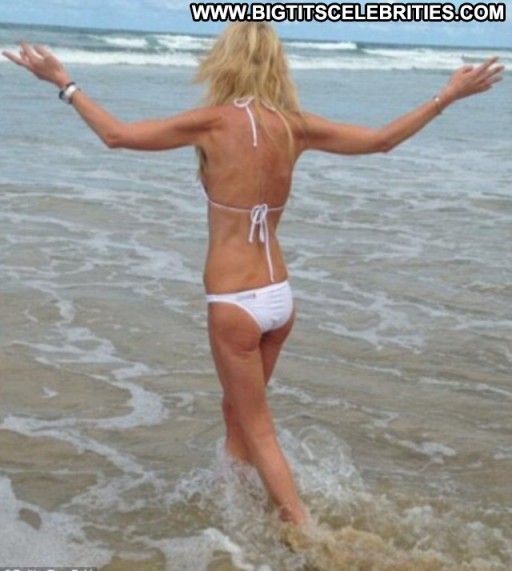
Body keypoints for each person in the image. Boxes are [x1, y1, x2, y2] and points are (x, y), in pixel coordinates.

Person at [3, 23, 503, 527]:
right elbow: (381, 141)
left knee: (258, 426)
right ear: (276, 64)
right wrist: (447, 96)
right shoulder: (294, 126)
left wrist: (64, 83)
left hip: (235, 303)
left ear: (224, 61)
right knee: (237, 412)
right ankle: (238, 504)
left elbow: (116, 135)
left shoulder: (213, 122)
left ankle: (301, 530)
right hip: (278, 300)